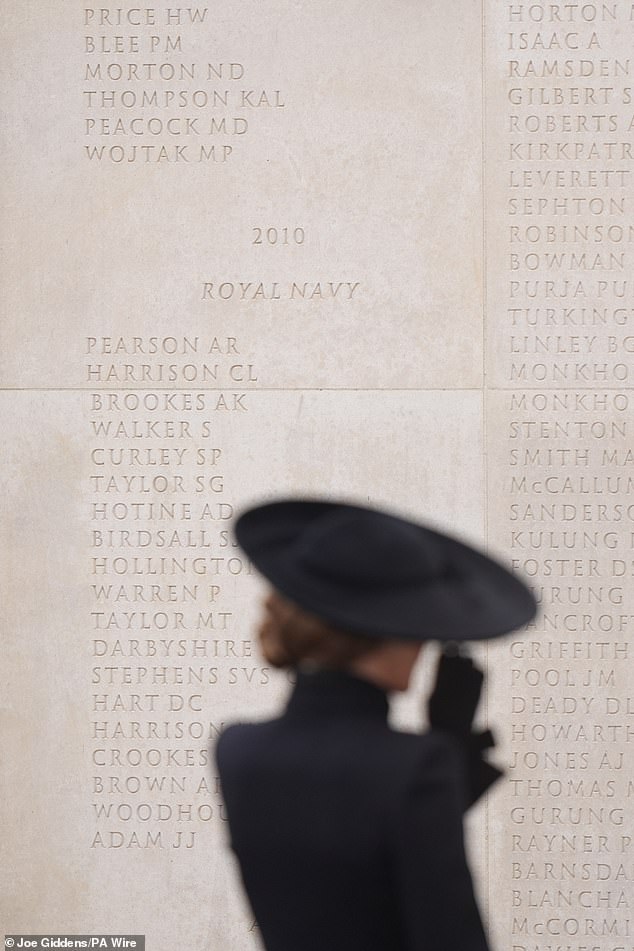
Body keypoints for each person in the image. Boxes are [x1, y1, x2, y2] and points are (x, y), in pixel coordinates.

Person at [216, 499, 536, 951]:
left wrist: (446, 757)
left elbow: (350, 863)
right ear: (386, 633)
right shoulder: (414, 767)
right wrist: (444, 752)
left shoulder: (237, 750)